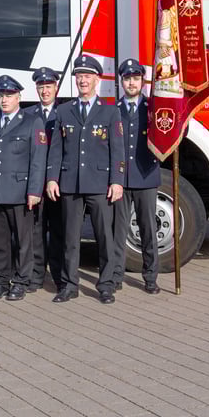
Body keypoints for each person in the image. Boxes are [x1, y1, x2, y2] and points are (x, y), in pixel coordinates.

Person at [46, 54, 125, 304]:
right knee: (70, 239)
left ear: (96, 80)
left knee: (104, 237)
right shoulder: (64, 111)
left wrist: (117, 180)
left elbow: (118, 150)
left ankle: (106, 285)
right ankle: (69, 285)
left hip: (100, 184)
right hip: (70, 184)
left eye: (88, 76)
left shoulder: (110, 112)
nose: (83, 80)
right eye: (79, 76)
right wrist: (52, 178)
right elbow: (56, 149)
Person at [0, 75, 46, 301]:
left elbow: (37, 160)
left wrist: (35, 191)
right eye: (1, 96)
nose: (4, 100)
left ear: (19, 97)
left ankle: (21, 281)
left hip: (20, 193)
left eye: (9, 96)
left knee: (23, 242)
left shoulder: (31, 122)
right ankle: (1, 281)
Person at [112, 59, 161, 294]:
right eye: (127, 78)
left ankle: (151, 277)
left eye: (136, 78)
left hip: (145, 176)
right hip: (121, 179)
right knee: (118, 230)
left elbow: (170, 130)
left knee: (148, 229)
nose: (131, 82)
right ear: (121, 81)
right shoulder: (113, 110)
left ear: (143, 81)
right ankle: (116, 276)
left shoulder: (154, 108)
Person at [25, 66, 63, 292]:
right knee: (36, 232)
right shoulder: (28, 115)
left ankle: (58, 276)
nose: (45, 91)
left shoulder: (66, 112)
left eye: (48, 86)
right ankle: (36, 276)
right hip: (36, 184)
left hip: (57, 183)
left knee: (58, 231)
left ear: (56, 88)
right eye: (41, 87)